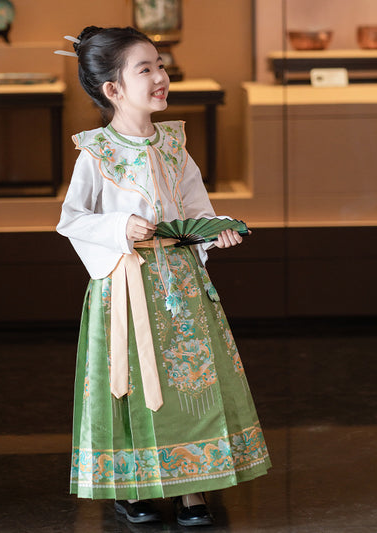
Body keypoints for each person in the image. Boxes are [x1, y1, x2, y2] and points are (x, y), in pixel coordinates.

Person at [56, 25, 271, 527]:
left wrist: (213, 233)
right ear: (113, 89)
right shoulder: (97, 152)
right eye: (145, 69)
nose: (160, 77)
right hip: (126, 286)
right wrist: (119, 226)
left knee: (191, 382)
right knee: (128, 383)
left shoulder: (174, 143)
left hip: (180, 286)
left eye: (160, 65)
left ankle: (193, 488)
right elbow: (72, 220)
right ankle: (131, 485)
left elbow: (196, 208)